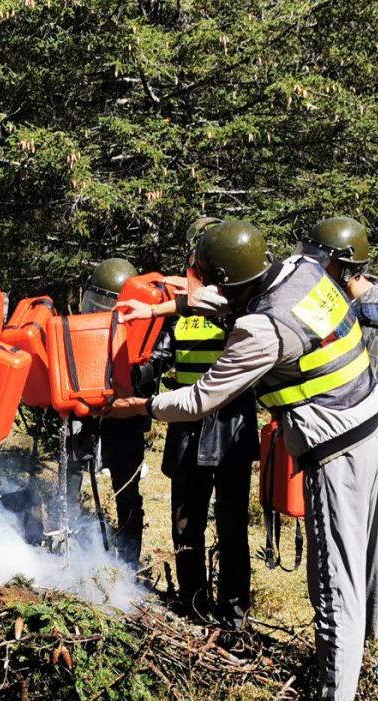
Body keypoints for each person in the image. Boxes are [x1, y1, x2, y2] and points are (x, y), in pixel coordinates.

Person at [111, 220, 378, 701]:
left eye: (207, 277)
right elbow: (229, 305)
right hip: (373, 431)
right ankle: (371, 676)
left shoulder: (262, 330)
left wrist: (142, 406)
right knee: (369, 567)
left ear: (223, 275)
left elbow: (200, 400)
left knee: (335, 577)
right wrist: (159, 310)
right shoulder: (302, 270)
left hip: (337, 453)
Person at [129, 220, 257, 628]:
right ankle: (193, 605)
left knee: (233, 528)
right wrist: (131, 373)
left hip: (232, 428)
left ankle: (234, 614)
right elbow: (158, 359)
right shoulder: (179, 310)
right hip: (186, 428)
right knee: (186, 525)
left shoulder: (241, 303)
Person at [65, 258, 150, 567]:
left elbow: (156, 362)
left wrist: (130, 379)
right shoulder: (81, 328)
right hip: (83, 413)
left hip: (124, 418)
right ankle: (67, 546)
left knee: (126, 490)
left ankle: (127, 566)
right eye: (96, 302)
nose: (100, 311)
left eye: (108, 304)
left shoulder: (147, 328)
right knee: (72, 473)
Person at [300, 217, 378, 427]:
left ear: (349, 270)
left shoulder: (370, 319)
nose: (317, 271)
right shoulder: (352, 301)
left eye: (324, 263)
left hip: (372, 425)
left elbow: (361, 388)